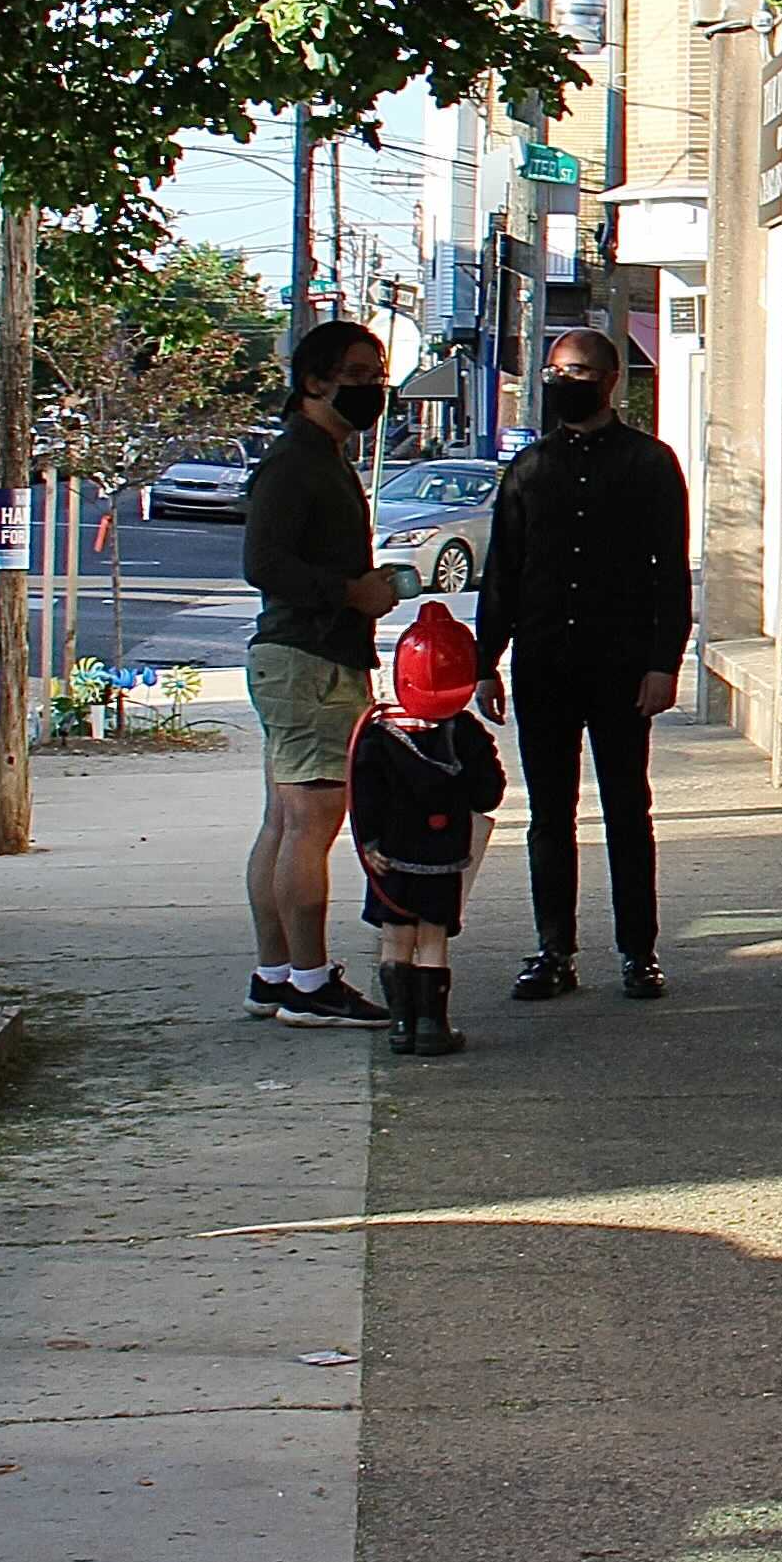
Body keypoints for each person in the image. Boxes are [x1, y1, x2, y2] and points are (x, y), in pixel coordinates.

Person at [474, 324, 691, 1002]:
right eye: (554, 372)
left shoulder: (650, 464)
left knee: (627, 809)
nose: (563, 384)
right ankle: (553, 949)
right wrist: (486, 661)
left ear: (610, 379)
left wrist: (664, 662)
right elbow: (502, 571)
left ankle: (638, 951)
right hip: (545, 660)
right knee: (549, 813)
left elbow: (670, 577)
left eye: (577, 372)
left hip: (622, 664)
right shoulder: (530, 468)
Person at [244, 319, 412, 1027]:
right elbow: (265, 563)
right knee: (311, 820)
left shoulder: (322, 456)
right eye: (357, 372)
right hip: (309, 657)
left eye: (378, 374)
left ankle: (276, 972)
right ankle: (310, 981)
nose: (372, 387)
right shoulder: (298, 462)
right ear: (314, 380)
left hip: (304, 657)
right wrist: (353, 592)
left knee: (285, 821)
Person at [351, 600, 505, 1057]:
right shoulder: (468, 735)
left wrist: (370, 842)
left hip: (391, 857)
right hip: (444, 858)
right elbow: (488, 794)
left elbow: (363, 798)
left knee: (396, 936)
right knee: (433, 938)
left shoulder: (377, 736)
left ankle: (401, 1024)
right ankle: (433, 1026)